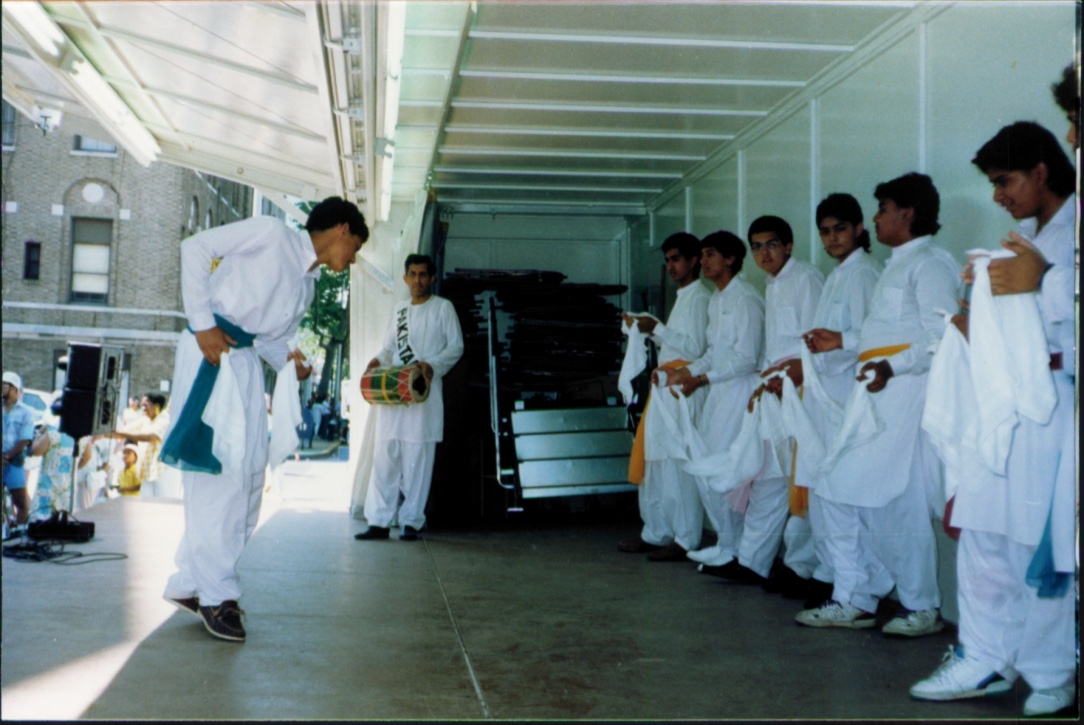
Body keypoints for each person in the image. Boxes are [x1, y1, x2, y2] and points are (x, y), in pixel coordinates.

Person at [910, 121, 1076, 717]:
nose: (997, 195)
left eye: (1004, 181)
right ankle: (983, 658)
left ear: (1040, 171)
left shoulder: (1073, 232)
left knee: (1037, 543)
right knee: (981, 530)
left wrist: (1047, 283)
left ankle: (1051, 674)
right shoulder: (1025, 237)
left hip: (1057, 407)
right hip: (1003, 406)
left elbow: (1060, 318)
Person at [160, 196, 368, 643]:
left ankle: (191, 582)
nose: (352, 260)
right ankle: (217, 596)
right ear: (342, 230)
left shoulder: (307, 285)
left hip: (246, 362)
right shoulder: (272, 234)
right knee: (219, 474)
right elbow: (193, 248)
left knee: (250, 475)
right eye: (355, 249)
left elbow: (272, 338)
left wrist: (291, 363)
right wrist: (201, 324)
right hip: (211, 355)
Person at [795, 173, 958, 637]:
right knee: (835, 489)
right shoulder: (895, 265)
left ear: (906, 213)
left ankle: (919, 606)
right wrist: (843, 341)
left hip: (903, 398)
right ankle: (858, 596)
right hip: (874, 400)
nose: (877, 218)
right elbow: (880, 333)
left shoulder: (929, 264)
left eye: (883, 209)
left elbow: (941, 335)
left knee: (891, 505)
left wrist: (894, 367)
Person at [794, 193, 882, 609]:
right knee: (827, 501)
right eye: (825, 232)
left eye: (839, 229)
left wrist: (838, 343)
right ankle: (844, 590)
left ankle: (855, 596)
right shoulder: (837, 275)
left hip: (848, 402)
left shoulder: (864, 274)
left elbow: (874, 341)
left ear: (859, 229)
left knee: (842, 502)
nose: (832, 238)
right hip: (825, 401)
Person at [665, 231, 765, 579]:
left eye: (710, 255)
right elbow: (711, 353)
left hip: (739, 391)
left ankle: (736, 549)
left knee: (725, 473)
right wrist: (685, 372)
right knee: (707, 470)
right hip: (718, 392)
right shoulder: (716, 300)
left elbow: (746, 358)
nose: (703, 261)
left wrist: (700, 380)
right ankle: (726, 544)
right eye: (703, 255)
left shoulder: (747, 299)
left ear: (731, 259)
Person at [736, 215, 824, 597]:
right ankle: (752, 562)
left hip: (802, 393)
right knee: (770, 478)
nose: (763, 253)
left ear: (788, 245)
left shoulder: (806, 278)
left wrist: (791, 378)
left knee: (802, 480)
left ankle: (803, 568)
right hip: (775, 392)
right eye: (756, 246)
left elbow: (814, 345)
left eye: (771, 244)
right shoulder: (771, 285)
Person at [356, 254, 464, 542]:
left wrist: (432, 365)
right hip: (394, 396)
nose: (417, 280)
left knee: (418, 461)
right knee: (384, 457)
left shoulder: (444, 308)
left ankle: (411, 522)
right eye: (412, 274)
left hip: (423, 395)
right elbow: (390, 346)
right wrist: (377, 360)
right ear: (405, 278)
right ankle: (378, 521)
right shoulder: (399, 310)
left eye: (423, 274)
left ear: (432, 278)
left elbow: (456, 347)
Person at [618, 232, 710, 561]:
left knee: (678, 463)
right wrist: (647, 328)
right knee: (655, 461)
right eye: (667, 260)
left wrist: (654, 328)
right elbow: (673, 343)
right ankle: (656, 531)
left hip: (683, 389)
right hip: (663, 388)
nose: (670, 266)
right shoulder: (683, 297)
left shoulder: (700, 298)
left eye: (676, 259)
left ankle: (685, 538)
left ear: (694, 261)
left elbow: (695, 349)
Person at [115, 393, 169, 497]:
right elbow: (126, 430)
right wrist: (107, 434)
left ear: (156, 406)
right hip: (147, 471)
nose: (143, 409)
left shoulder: (164, 420)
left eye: (145, 406)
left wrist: (120, 433)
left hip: (162, 473)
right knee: (147, 506)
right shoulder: (145, 419)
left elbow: (149, 437)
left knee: (163, 506)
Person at [2, 372, 36, 529]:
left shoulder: (26, 412)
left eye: (5, 385)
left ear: (14, 389)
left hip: (13, 461)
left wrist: (7, 457)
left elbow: (25, 438)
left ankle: (21, 532)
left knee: (20, 501)